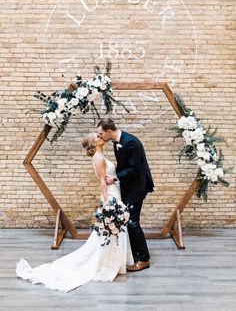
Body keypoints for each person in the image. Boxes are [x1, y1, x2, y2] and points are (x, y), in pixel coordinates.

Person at [16, 133, 134, 292]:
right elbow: (101, 181)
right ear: (93, 143)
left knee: (113, 229)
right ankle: (108, 263)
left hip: (115, 191)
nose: (100, 136)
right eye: (97, 136)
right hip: (110, 195)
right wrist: (106, 202)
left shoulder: (100, 155)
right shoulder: (98, 158)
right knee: (111, 229)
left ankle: (115, 261)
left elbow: (108, 176)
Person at [97, 118, 154, 272]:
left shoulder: (131, 142)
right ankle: (136, 254)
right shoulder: (117, 142)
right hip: (128, 187)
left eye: (101, 133)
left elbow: (135, 169)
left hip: (137, 187)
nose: (100, 136)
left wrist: (115, 178)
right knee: (130, 221)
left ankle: (143, 259)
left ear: (109, 131)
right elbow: (124, 166)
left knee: (133, 222)